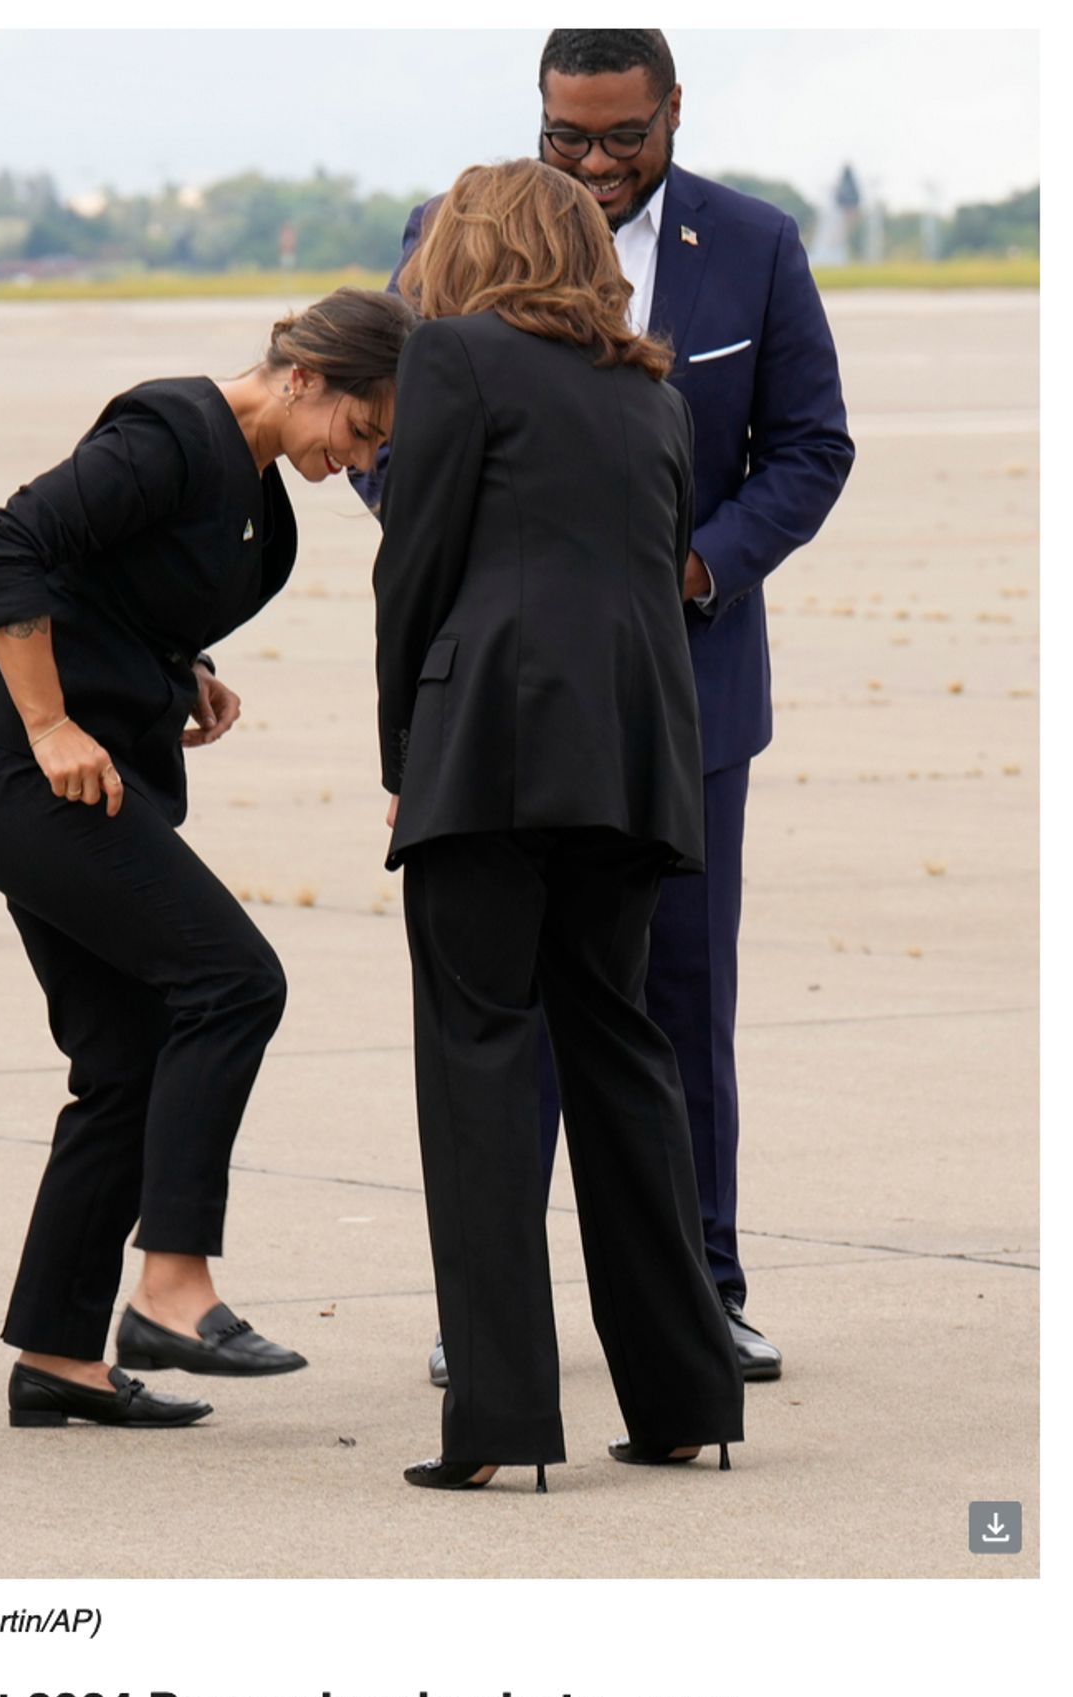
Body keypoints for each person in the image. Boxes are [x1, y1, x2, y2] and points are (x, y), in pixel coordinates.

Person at [361, 28, 855, 1389]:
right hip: (500, 696)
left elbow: (813, 445)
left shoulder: (749, 245)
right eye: (563, 137)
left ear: (673, 113)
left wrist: (703, 562)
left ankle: (705, 1290)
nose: (589, 166)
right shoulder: (446, 229)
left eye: (618, 139)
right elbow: (392, 447)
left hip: (682, 690)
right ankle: (493, 1314)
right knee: (499, 1013)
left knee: (676, 1005)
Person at [0, 289, 415, 1430]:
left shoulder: (262, 502)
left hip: (77, 771)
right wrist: (50, 721)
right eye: (362, 429)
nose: (363, 459)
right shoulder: (172, 433)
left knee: (127, 1051)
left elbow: (118, 587)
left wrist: (176, 667)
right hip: (18, 765)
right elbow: (8, 545)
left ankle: (57, 1351)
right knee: (235, 981)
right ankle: (172, 1284)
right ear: (306, 376)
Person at [375, 159, 745, 1491]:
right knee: (622, 1060)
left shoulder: (456, 358)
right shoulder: (652, 389)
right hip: (635, 758)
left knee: (478, 1066)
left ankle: (501, 1428)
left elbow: (412, 567)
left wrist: (403, 755)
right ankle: (684, 1400)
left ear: (471, 248)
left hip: (491, 750)